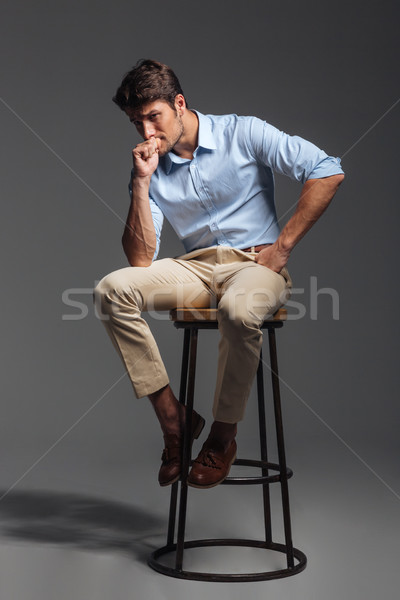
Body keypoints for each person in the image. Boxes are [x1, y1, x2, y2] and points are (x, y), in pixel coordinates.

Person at [94, 59, 344, 489]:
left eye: (154, 117)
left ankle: (223, 435)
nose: (147, 133)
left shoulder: (242, 132)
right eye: (137, 123)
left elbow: (327, 170)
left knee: (240, 309)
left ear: (179, 103)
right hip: (196, 268)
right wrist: (140, 184)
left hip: (255, 265)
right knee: (110, 290)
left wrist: (282, 247)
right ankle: (174, 419)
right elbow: (139, 259)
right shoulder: (150, 167)